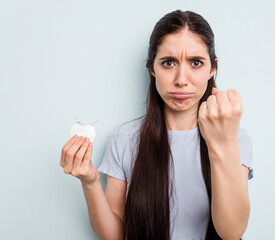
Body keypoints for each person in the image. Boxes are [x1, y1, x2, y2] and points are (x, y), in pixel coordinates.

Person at [60, 9, 253, 240]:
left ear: (212, 68)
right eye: (169, 63)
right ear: (153, 68)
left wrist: (222, 142)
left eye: (196, 63)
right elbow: (114, 235)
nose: (181, 80)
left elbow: (231, 232)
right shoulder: (124, 139)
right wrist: (90, 181)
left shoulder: (236, 139)